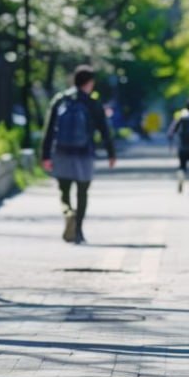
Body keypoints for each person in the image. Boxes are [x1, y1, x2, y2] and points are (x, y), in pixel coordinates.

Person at [41, 64, 116, 244]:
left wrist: (45, 155)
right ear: (89, 83)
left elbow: (49, 129)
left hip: (61, 153)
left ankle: (68, 212)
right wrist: (111, 153)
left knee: (64, 191)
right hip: (84, 154)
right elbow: (104, 130)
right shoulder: (92, 103)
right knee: (82, 192)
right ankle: (79, 231)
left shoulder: (60, 100)